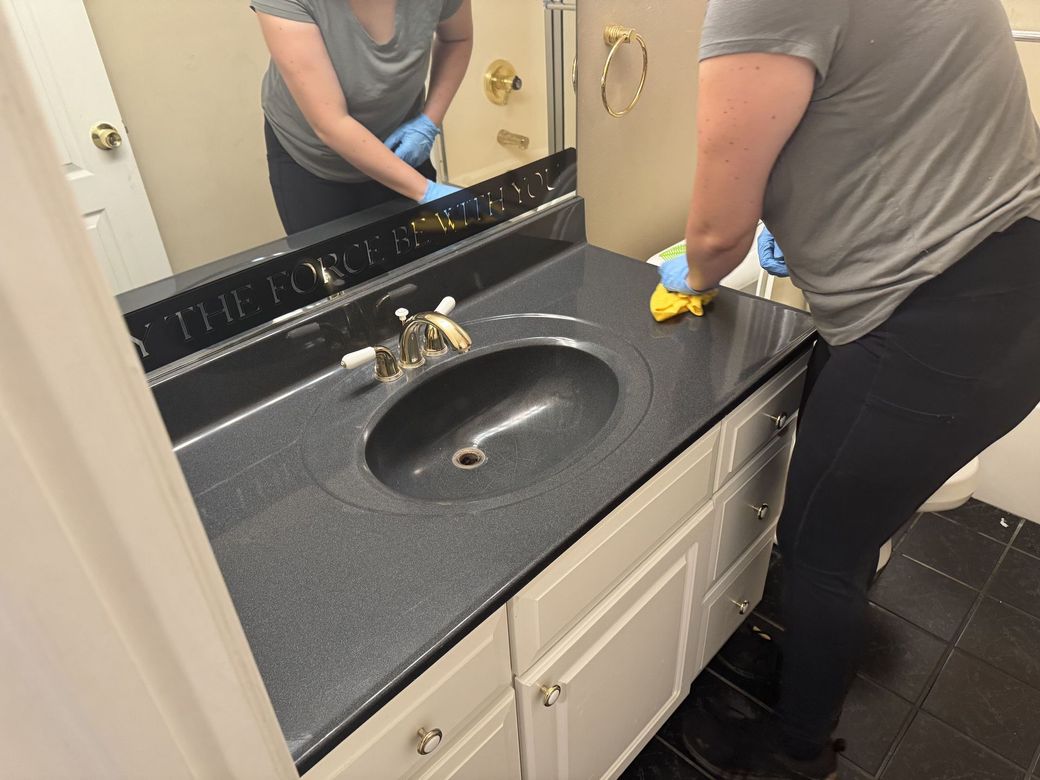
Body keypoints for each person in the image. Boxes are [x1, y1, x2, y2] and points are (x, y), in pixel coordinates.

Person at [658, 1, 1040, 777]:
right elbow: (897, 110)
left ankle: (797, 752)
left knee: (821, 550)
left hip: (930, 317)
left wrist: (692, 275)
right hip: (1015, 275)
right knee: (849, 526)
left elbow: (717, 233)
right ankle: (804, 650)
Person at [251, 0, 472, 233]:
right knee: (338, 254)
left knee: (425, 248)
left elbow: (457, 39)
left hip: (401, 146)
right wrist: (426, 191)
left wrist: (428, 123)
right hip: (315, 161)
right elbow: (331, 123)